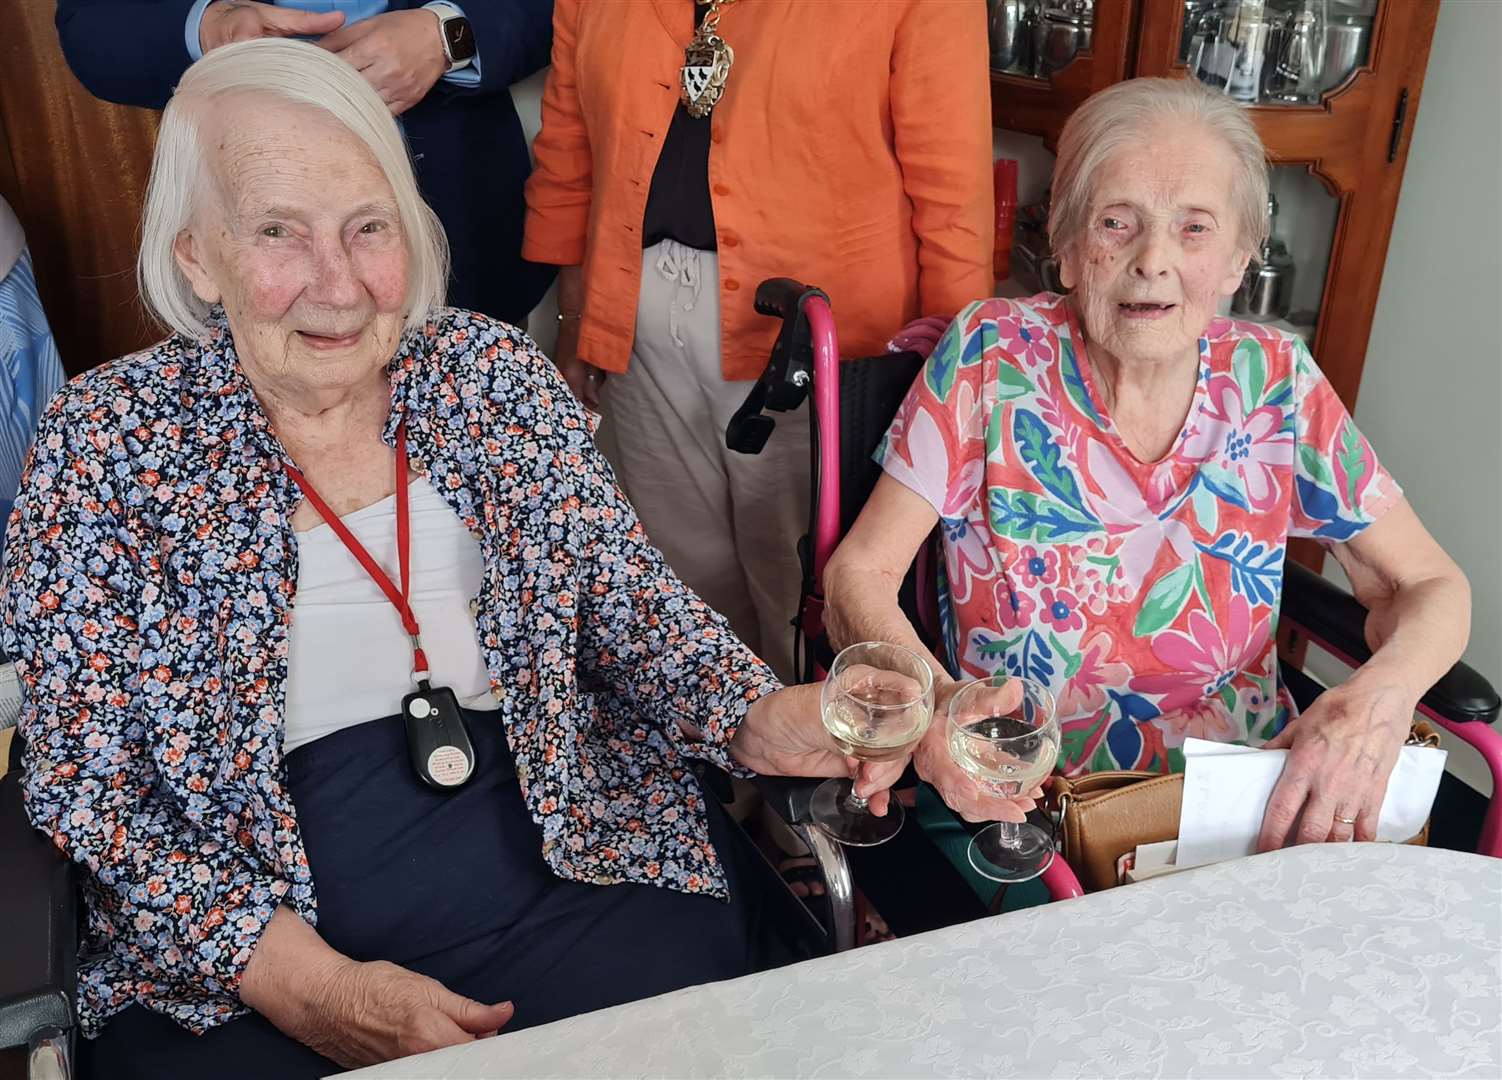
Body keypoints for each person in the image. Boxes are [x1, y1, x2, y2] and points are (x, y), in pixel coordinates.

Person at [0, 40, 951, 1078]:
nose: (336, 282)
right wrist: (305, 987)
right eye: (278, 232)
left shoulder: (490, 377)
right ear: (197, 256)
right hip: (248, 933)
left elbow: (632, 614)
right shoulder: (111, 442)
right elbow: (88, 785)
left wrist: (760, 719)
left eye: (369, 228)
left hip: (571, 848)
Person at [824, 77, 1472, 851]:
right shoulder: (991, 357)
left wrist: (1381, 699)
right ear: (1065, 249)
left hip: (1250, 796)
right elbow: (855, 576)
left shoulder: (1273, 379)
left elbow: (1433, 584)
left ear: (1237, 260)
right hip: (1034, 810)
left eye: (1194, 228)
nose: (1153, 261)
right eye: (1116, 223)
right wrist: (936, 714)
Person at [523, 0, 993, 681]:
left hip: (819, 350)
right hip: (638, 331)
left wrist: (952, 387)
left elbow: (954, 198)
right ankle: (715, 777)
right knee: (674, 583)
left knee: (800, 594)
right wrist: (577, 327)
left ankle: (806, 777)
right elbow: (568, 155)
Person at [55, 0, 555, 325]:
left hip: (460, 204)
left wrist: (450, 34)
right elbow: (93, 24)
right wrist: (206, 28)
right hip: (239, 200)